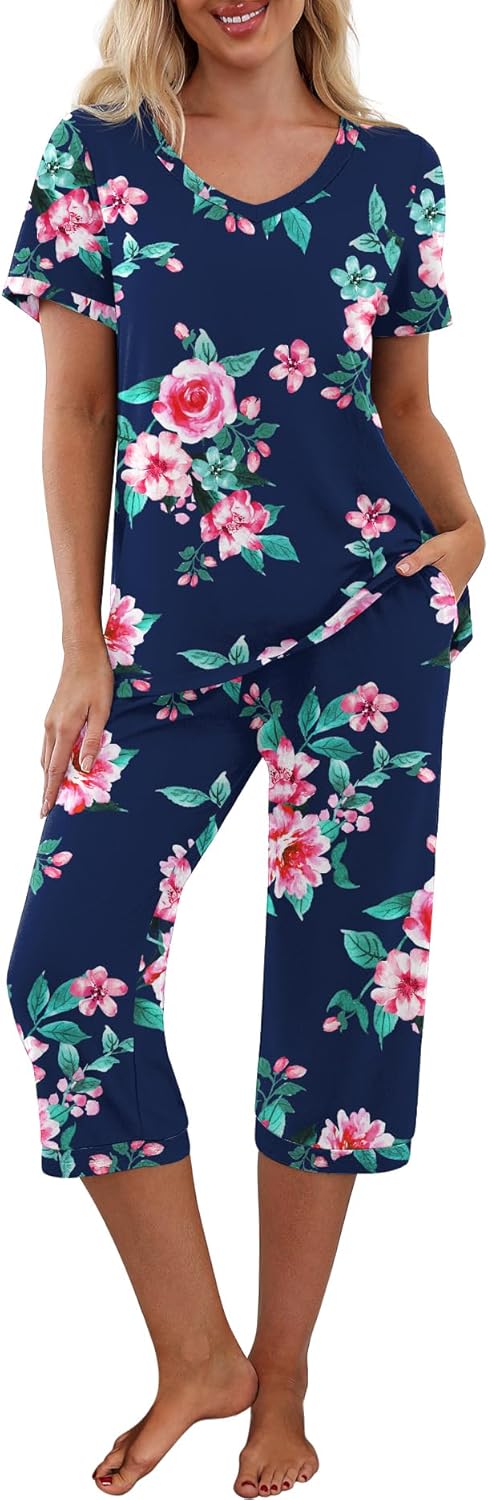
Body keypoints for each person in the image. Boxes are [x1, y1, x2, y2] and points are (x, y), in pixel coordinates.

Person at [2, 0, 484, 1494]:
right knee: (67, 965)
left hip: (368, 624)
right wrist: (81, 645)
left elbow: (404, 406)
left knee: (340, 997)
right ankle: (197, 1355)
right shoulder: (99, 158)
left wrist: (466, 535)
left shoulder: (395, 169)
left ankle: (285, 1381)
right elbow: (79, 408)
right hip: (168, 643)